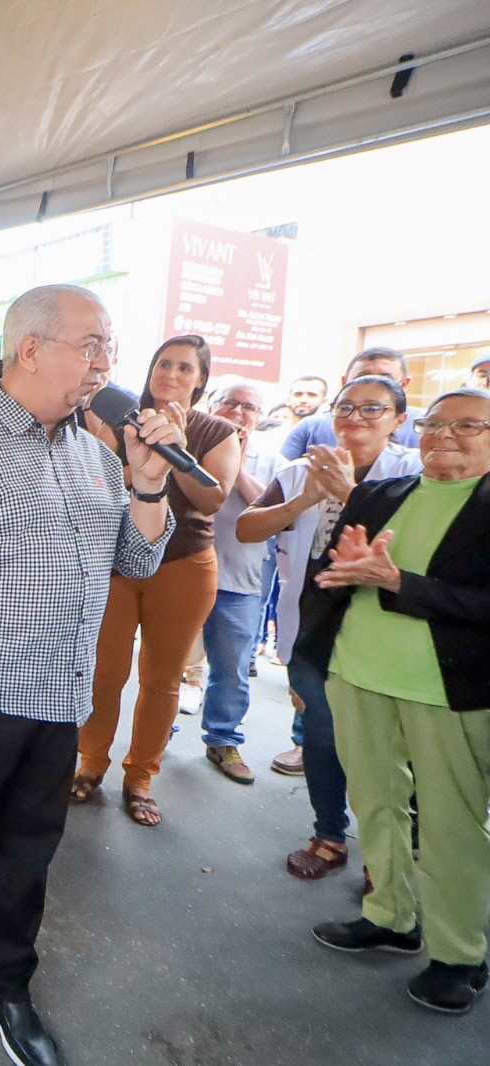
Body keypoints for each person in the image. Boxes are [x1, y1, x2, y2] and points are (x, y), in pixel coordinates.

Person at [0, 284, 178, 1066]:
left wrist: (149, 482)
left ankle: (4, 983)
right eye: (93, 344)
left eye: (109, 345)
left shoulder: (97, 455)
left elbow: (137, 559)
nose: (106, 361)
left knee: (29, 853)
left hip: (59, 700)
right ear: (30, 350)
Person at [296, 388, 490, 1015]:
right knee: (375, 804)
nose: (445, 435)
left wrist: (399, 582)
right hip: (356, 675)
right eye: (435, 423)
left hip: (449, 691)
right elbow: (330, 576)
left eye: (468, 425)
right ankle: (391, 917)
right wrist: (335, 593)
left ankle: (460, 954)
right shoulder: (380, 494)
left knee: (452, 825)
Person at [237, 376, 421, 881]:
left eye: (372, 409)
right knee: (321, 734)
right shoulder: (302, 469)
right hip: (313, 622)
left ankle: (387, 856)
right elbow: (247, 527)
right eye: (346, 407)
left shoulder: (416, 472)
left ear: (399, 420)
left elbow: (421, 550)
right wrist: (303, 499)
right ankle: (329, 835)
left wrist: (349, 495)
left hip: (386, 625)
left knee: (388, 747)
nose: (355, 418)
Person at [76, 335, 241, 826]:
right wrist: (137, 462)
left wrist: (176, 452)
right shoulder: (122, 416)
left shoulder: (218, 431)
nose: (171, 373)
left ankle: (141, 777)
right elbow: (100, 480)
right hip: (118, 563)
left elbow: (212, 499)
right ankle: (90, 763)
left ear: (201, 378)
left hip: (184, 566)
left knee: (162, 679)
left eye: (185, 367)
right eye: (163, 363)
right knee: (103, 673)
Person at [196, 380, 282, 781]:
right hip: (184, 574)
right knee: (167, 666)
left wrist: (239, 462)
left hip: (240, 581)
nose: (237, 411)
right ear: (211, 405)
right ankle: (156, 739)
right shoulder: (190, 445)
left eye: (249, 407)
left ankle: (223, 739)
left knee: (231, 670)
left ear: (259, 417)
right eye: (229, 402)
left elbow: (274, 513)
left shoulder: (272, 459)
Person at [282, 348, 425, 457]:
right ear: (345, 382)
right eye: (362, 378)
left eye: (384, 380)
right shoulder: (310, 427)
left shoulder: (425, 424)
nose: (372, 387)